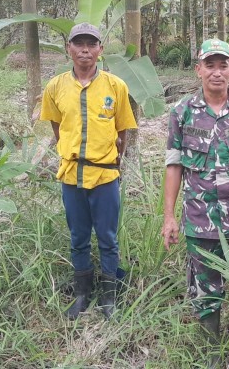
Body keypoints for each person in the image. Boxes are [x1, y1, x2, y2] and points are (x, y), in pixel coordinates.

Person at [162, 38, 229, 358]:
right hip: (200, 216)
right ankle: (212, 352)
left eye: (223, 65)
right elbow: (173, 165)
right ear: (199, 70)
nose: (217, 72)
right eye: (210, 65)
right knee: (206, 289)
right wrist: (169, 217)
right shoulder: (181, 112)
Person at [40, 22, 137, 319]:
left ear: (100, 50)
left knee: (107, 236)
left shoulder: (115, 86)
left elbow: (123, 131)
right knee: (78, 236)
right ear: (69, 49)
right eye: (78, 43)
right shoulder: (55, 86)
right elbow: (57, 128)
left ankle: (109, 295)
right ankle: (82, 293)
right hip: (71, 176)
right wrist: (71, 152)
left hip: (105, 175)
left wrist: (110, 159)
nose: (85, 49)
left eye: (91, 44)